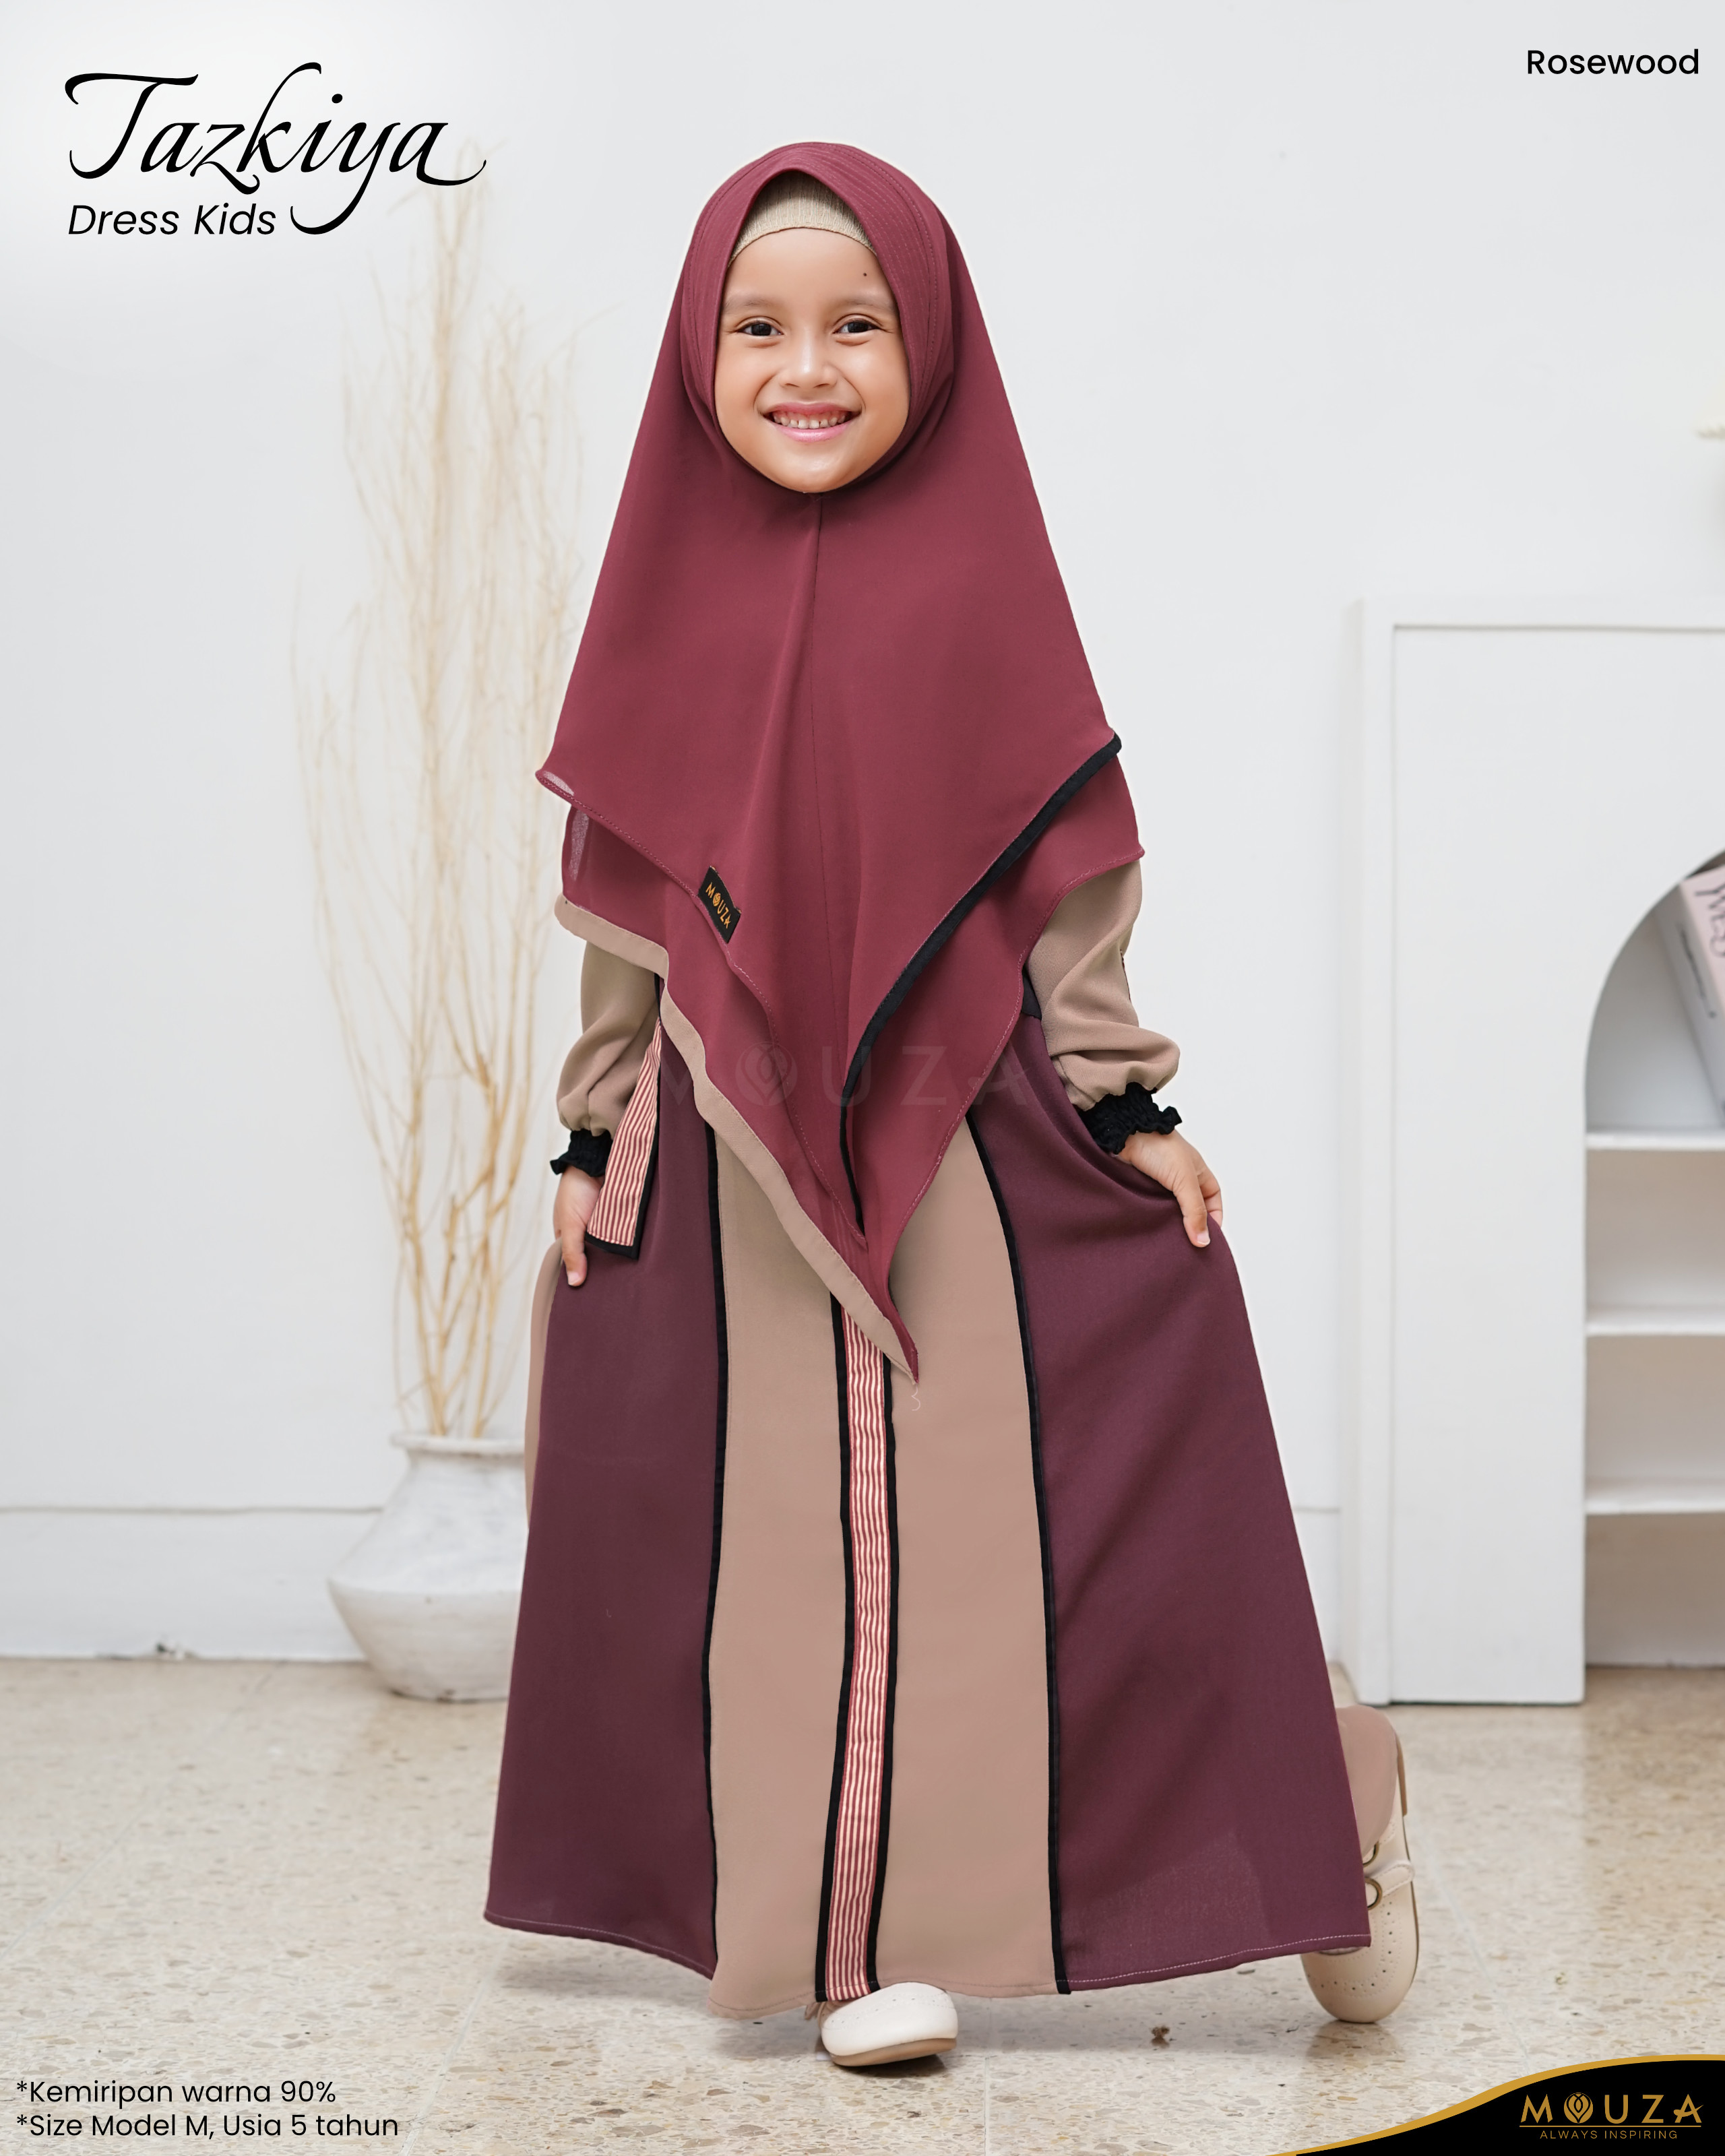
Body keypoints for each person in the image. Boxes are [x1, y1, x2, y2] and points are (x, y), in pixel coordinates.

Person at [485, 143, 1417, 2068]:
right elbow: (633, 902)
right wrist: (591, 1136)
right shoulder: (667, 594)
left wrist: (1125, 1107)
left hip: (964, 1117)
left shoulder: (984, 581)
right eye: (757, 327)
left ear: (933, 347)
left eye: (857, 325)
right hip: (729, 1142)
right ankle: (843, 1941)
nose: (805, 368)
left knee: (1013, 1534)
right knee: (769, 1537)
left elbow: (1067, 870)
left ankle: (1328, 1799)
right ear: (698, 357)